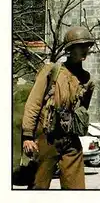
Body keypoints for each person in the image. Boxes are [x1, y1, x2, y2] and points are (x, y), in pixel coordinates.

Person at [22, 26, 95, 189]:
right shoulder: (51, 70)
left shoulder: (87, 80)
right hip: (47, 137)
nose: (85, 50)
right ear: (70, 48)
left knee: (76, 189)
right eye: (80, 46)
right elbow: (34, 103)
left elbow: (82, 111)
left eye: (87, 46)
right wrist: (27, 136)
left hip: (70, 139)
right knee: (38, 187)